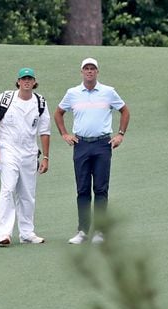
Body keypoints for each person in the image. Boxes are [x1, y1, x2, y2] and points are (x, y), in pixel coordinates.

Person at [53, 57, 130, 245]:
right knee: (83, 189)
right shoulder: (72, 93)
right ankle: (83, 231)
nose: (89, 71)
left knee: (101, 189)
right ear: (81, 72)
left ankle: (100, 232)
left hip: (103, 144)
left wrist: (120, 134)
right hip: (81, 145)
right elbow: (58, 113)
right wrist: (64, 134)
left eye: (92, 69)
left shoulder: (108, 92)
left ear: (97, 72)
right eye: (86, 69)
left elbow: (125, 111)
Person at [0, 67, 51, 247]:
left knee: (28, 193)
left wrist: (46, 157)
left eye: (30, 79)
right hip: (8, 150)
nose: (27, 82)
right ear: (18, 82)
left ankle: (27, 233)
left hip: (29, 153)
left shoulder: (40, 102)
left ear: (34, 82)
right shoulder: (6, 98)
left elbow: (45, 131)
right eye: (24, 79)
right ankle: (4, 233)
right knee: (8, 188)